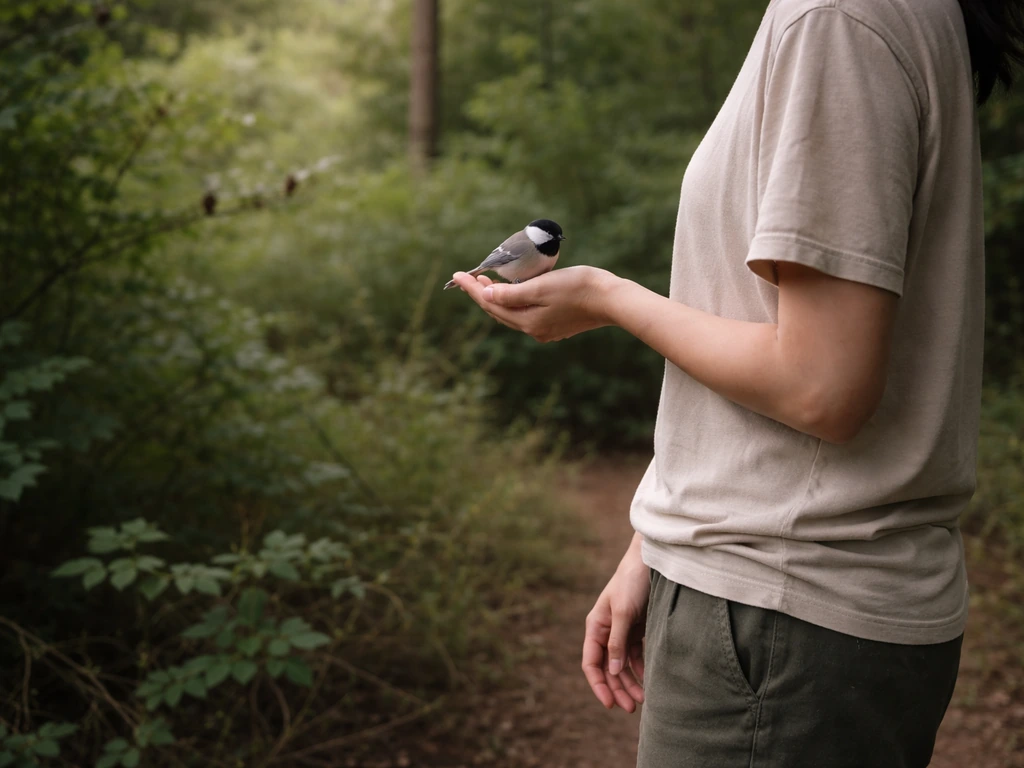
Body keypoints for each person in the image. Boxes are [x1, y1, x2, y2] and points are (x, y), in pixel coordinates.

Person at [449, 0, 1024, 764]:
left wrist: (606, 298)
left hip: (780, 619)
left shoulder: (836, 20)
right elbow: (756, 320)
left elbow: (822, 384)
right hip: (793, 602)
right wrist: (651, 544)